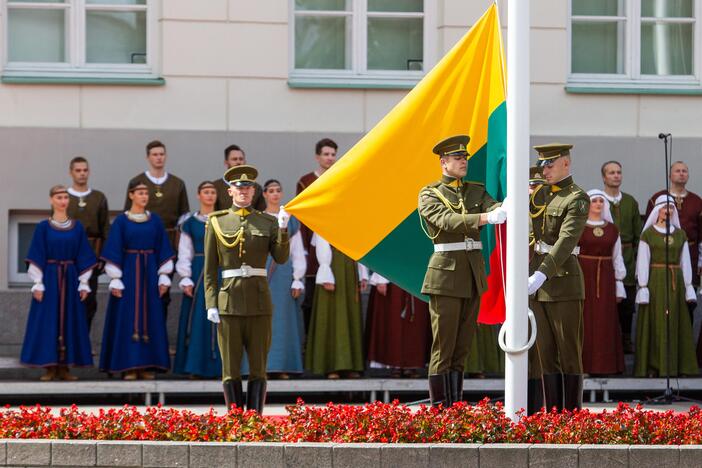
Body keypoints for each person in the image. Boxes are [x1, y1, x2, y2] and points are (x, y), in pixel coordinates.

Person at [417, 135, 507, 407]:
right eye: (458, 158)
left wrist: (509, 202)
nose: (464, 161)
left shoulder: (475, 190)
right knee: (444, 347)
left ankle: (454, 406)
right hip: (445, 276)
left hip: (471, 274)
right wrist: (485, 218)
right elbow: (446, 220)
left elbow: (495, 207)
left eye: (465, 157)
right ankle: (439, 408)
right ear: (444, 163)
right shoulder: (430, 193)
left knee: (462, 347)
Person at [204, 165, 290, 414]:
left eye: (248, 188)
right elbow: (210, 270)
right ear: (230, 191)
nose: (243, 192)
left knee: (258, 366)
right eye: (238, 188)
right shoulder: (217, 221)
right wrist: (211, 303)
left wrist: (283, 229)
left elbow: (281, 258)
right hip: (229, 302)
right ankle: (234, 419)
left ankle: (254, 420)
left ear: (254, 192)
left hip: (259, 302)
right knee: (230, 367)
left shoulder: (267, 221)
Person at [527, 143, 589, 413]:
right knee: (546, 355)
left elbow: (566, 242)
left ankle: (571, 416)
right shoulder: (538, 195)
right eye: (542, 165)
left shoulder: (577, 198)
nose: (545, 170)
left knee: (568, 354)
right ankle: (553, 417)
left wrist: (542, 273)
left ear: (566, 163)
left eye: (549, 165)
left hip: (562, 281)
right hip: (537, 284)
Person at [21, 185, 97, 381]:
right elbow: (37, 253)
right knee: (48, 321)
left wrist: (83, 282)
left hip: (70, 278)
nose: (62, 201)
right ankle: (49, 367)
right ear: (51, 200)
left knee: (70, 320)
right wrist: (38, 282)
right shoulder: (43, 227)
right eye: (59, 197)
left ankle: (65, 368)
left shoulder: (77, 227)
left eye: (65, 197)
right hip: (50, 277)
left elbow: (83, 254)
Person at [100, 180, 175, 380]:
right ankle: (129, 366)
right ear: (131, 195)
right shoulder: (121, 222)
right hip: (129, 275)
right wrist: (115, 278)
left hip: (149, 274)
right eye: (140, 192)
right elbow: (114, 248)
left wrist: (163, 276)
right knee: (127, 317)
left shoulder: (155, 220)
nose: (144, 196)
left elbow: (163, 247)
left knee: (150, 317)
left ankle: (145, 366)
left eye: (146, 193)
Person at [241, 180, 306, 379]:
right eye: (271, 191)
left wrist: (297, 279)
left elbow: (297, 251)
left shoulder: (291, 220)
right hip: (260, 272)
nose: (275, 194)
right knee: (259, 321)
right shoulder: (256, 219)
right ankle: (260, 367)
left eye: (278, 190)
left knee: (283, 320)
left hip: (284, 274)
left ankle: (282, 366)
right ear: (265, 195)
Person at [634, 194, 699, 377]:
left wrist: (688, 286)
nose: (668, 211)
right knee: (655, 322)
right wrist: (643, 286)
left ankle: (678, 366)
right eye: (665, 208)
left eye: (671, 208)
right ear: (658, 210)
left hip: (675, 282)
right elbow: (643, 261)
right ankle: (653, 366)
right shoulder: (648, 234)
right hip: (655, 281)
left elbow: (685, 261)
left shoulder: (680, 234)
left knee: (676, 321)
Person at [124, 140, 189, 319]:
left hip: (167, 245)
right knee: (141, 289)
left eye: (161, 154)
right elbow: (127, 215)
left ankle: (159, 337)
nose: (158, 158)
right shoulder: (137, 182)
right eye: (155, 154)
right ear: (148, 157)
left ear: (165, 156)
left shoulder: (177, 184)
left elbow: (184, 217)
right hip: (141, 245)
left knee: (163, 291)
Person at [173, 181, 221, 378]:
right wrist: (185, 277)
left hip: (220, 272)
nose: (209, 196)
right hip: (199, 272)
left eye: (212, 192)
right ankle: (195, 366)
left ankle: (221, 367)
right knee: (198, 319)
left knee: (221, 320)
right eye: (206, 192)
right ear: (199, 195)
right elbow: (185, 251)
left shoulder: (225, 221)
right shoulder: (190, 223)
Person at [305, 233, 368, 379]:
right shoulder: (327, 215)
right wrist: (325, 271)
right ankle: (331, 365)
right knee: (332, 316)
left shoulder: (354, 221)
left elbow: (361, 246)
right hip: (333, 268)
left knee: (350, 316)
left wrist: (362, 273)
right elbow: (322, 240)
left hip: (350, 269)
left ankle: (351, 365)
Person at [578, 189, 626, 375]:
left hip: (605, 279)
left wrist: (619, 284)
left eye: (601, 201)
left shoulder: (612, 229)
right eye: (594, 200)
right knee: (585, 319)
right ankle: (583, 365)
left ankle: (604, 366)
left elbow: (617, 257)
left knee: (604, 321)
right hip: (583, 276)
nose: (598, 204)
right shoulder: (579, 226)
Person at [296, 138, 338, 333]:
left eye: (332, 154)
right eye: (326, 154)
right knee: (312, 295)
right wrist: (304, 249)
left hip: (337, 244)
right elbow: (303, 219)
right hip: (313, 245)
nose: (330, 158)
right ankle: (310, 340)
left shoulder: (340, 178)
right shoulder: (306, 182)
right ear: (317, 156)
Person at [601, 161, 642, 353]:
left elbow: (637, 236)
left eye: (618, 172)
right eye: (611, 173)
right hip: (603, 257)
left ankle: (626, 339)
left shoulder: (630, 202)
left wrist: (634, 260)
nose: (616, 176)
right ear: (604, 177)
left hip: (626, 257)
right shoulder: (597, 201)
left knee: (627, 304)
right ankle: (609, 341)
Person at [66, 156, 110, 330]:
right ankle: (66, 343)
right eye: (78, 170)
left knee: (89, 301)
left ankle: (83, 342)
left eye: (85, 170)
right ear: (71, 173)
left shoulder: (98, 197)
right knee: (68, 299)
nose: (82, 174)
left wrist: (104, 257)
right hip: (67, 256)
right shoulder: (64, 197)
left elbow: (106, 228)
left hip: (91, 255)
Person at [365, 273, 431, 378]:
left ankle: (411, 365)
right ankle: (395, 364)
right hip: (393, 281)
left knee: (415, 326)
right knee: (394, 324)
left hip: (417, 280)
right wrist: (381, 279)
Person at [213, 144, 266, 212]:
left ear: (245, 162)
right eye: (234, 159)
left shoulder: (255, 187)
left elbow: (260, 214)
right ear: (226, 163)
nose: (238, 162)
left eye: (241, 159)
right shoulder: (215, 187)